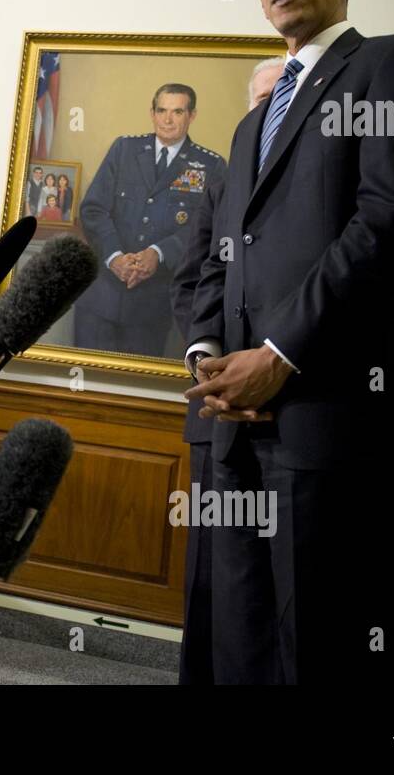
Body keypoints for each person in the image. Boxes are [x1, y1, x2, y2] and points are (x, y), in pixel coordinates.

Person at [184, 0, 394, 683]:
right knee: (237, 645)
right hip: (231, 421)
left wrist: (278, 353)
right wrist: (209, 355)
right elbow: (217, 259)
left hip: (335, 413)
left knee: (325, 646)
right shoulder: (248, 129)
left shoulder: (391, 64)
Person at [168, 58, 282, 684]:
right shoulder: (219, 181)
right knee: (214, 578)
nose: (270, 109)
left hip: (293, 407)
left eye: (283, 96)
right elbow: (194, 283)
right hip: (215, 411)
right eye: (261, 98)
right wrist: (205, 356)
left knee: (284, 586)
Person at [77, 83, 227, 357]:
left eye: (178, 112)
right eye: (162, 110)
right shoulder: (124, 149)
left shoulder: (211, 165)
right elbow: (93, 209)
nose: (168, 119)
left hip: (154, 303)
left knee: (135, 388)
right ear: (152, 113)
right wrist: (115, 257)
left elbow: (207, 228)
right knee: (85, 384)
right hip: (101, 297)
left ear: (191, 115)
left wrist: (159, 253)